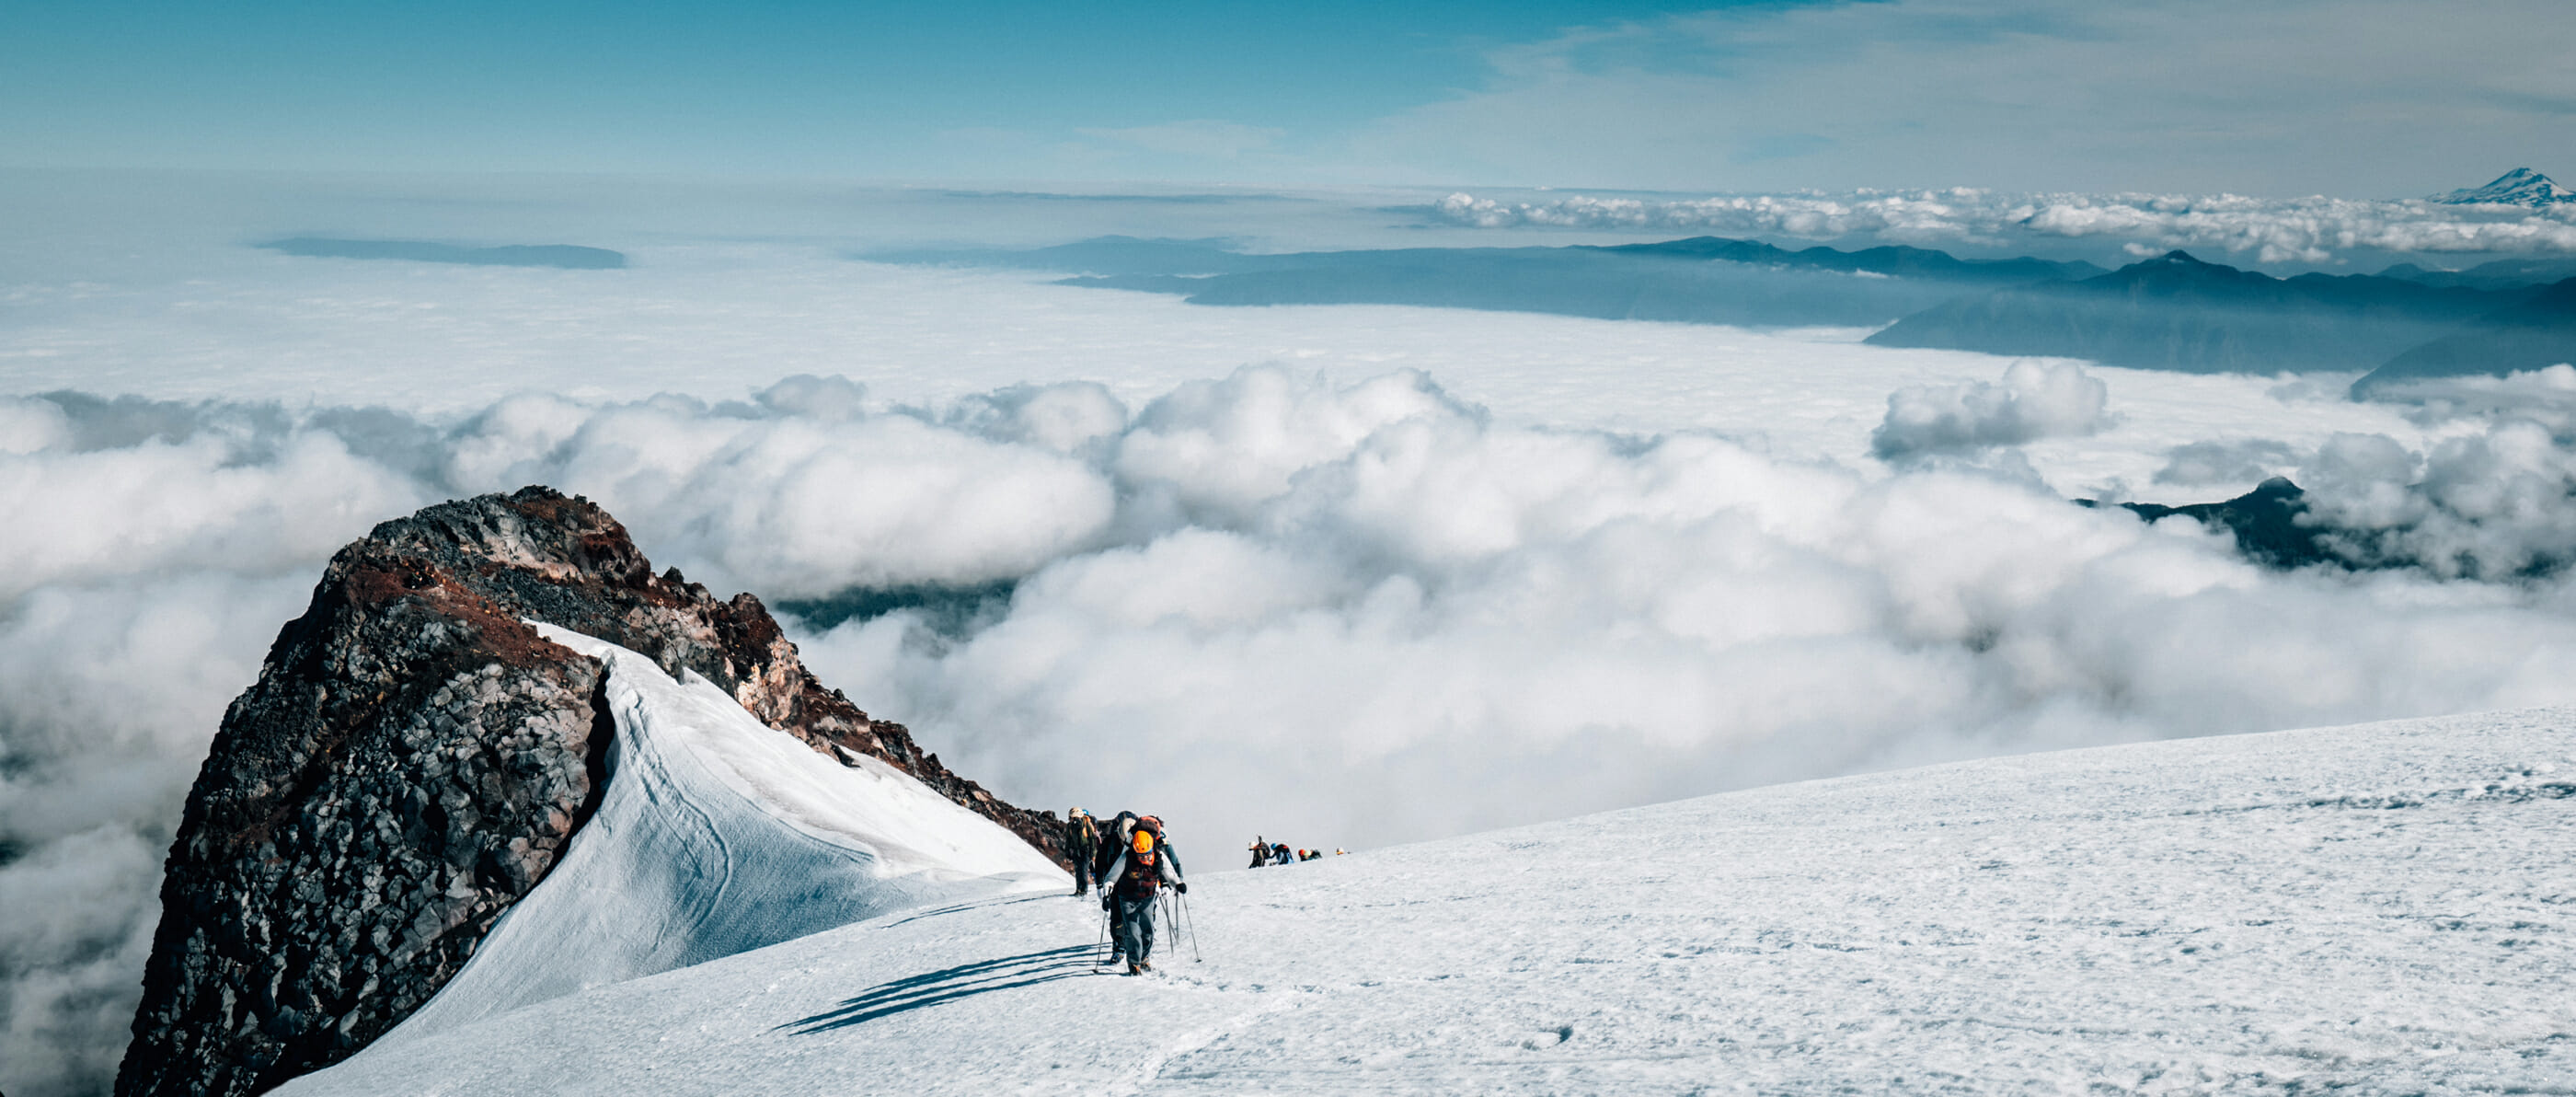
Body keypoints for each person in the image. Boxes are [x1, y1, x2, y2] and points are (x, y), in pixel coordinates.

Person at [1099, 815, 1186, 975]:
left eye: (1147, 855)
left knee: (1148, 931)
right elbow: (1111, 878)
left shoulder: (1158, 856)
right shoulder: (1127, 857)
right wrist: (1106, 895)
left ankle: (1144, 958)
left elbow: (1169, 872)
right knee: (1132, 933)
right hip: (1127, 899)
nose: (1144, 858)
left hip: (1147, 897)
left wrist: (1178, 884)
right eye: (1141, 855)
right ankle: (1134, 963)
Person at [1064, 808, 1099, 896]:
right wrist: (1067, 851)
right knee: (1078, 870)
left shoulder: (1086, 824)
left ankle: (1084, 890)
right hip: (1077, 850)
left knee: (1083, 869)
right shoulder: (1070, 826)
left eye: (1071, 817)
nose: (1069, 819)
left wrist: (1092, 852)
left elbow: (1092, 839)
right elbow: (1068, 839)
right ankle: (1079, 889)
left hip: (1085, 850)